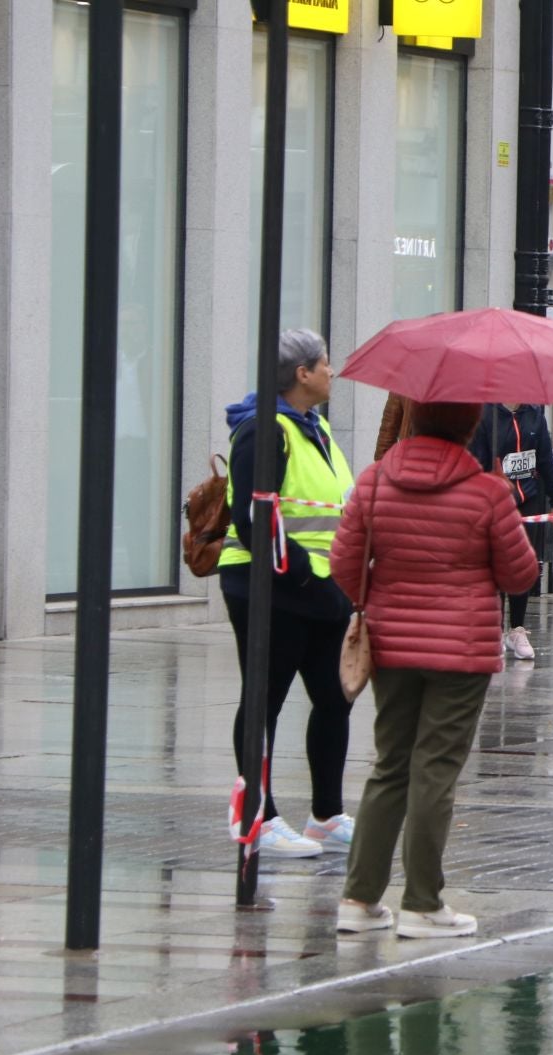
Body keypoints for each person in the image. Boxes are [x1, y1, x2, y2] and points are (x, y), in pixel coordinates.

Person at [332, 401, 540, 939]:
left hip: (392, 646)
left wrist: (377, 599)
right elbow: (519, 576)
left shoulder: (375, 481)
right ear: (470, 426)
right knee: (436, 770)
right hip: (460, 650)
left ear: (416, 420)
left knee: (390, 765)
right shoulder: (488, 491)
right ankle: (422, 903)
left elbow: (344, 562)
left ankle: (359, 900)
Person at [218, 328, 357, 859]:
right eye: (325, 363)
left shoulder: (314, 427)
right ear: (301, 374)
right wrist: (303, 575)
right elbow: (257, 517)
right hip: (270, 589)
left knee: (333, 697)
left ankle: (326, 814)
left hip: (323, 589)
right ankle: (261, 816)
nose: (331, 371)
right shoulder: (263, 431)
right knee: (265, 701)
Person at [470, 402, 553, 661]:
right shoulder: (485, 415)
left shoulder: (535, 415)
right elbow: (474, 459)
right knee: (497, 563)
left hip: (529, 500)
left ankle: (517, 629)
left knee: (523, 564)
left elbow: (545, 457)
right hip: (495, 500)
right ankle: (495, 630)